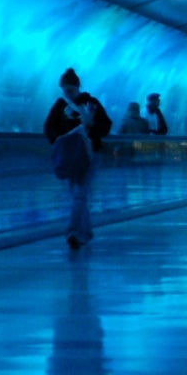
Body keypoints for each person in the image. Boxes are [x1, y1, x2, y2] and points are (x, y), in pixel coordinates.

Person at [46, 68, 111, 251]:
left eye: (71, 89)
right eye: (65, 90)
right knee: (78, 196)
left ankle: (73, 232)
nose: (68, 93)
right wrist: (62, 139)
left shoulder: (92, 104)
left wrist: (92, 128)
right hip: (72, 156)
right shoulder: (60, 105)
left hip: (91, 154)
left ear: (77, 87)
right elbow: (49, 127)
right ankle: (86, 233)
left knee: (80, 194)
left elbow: (106, 125)